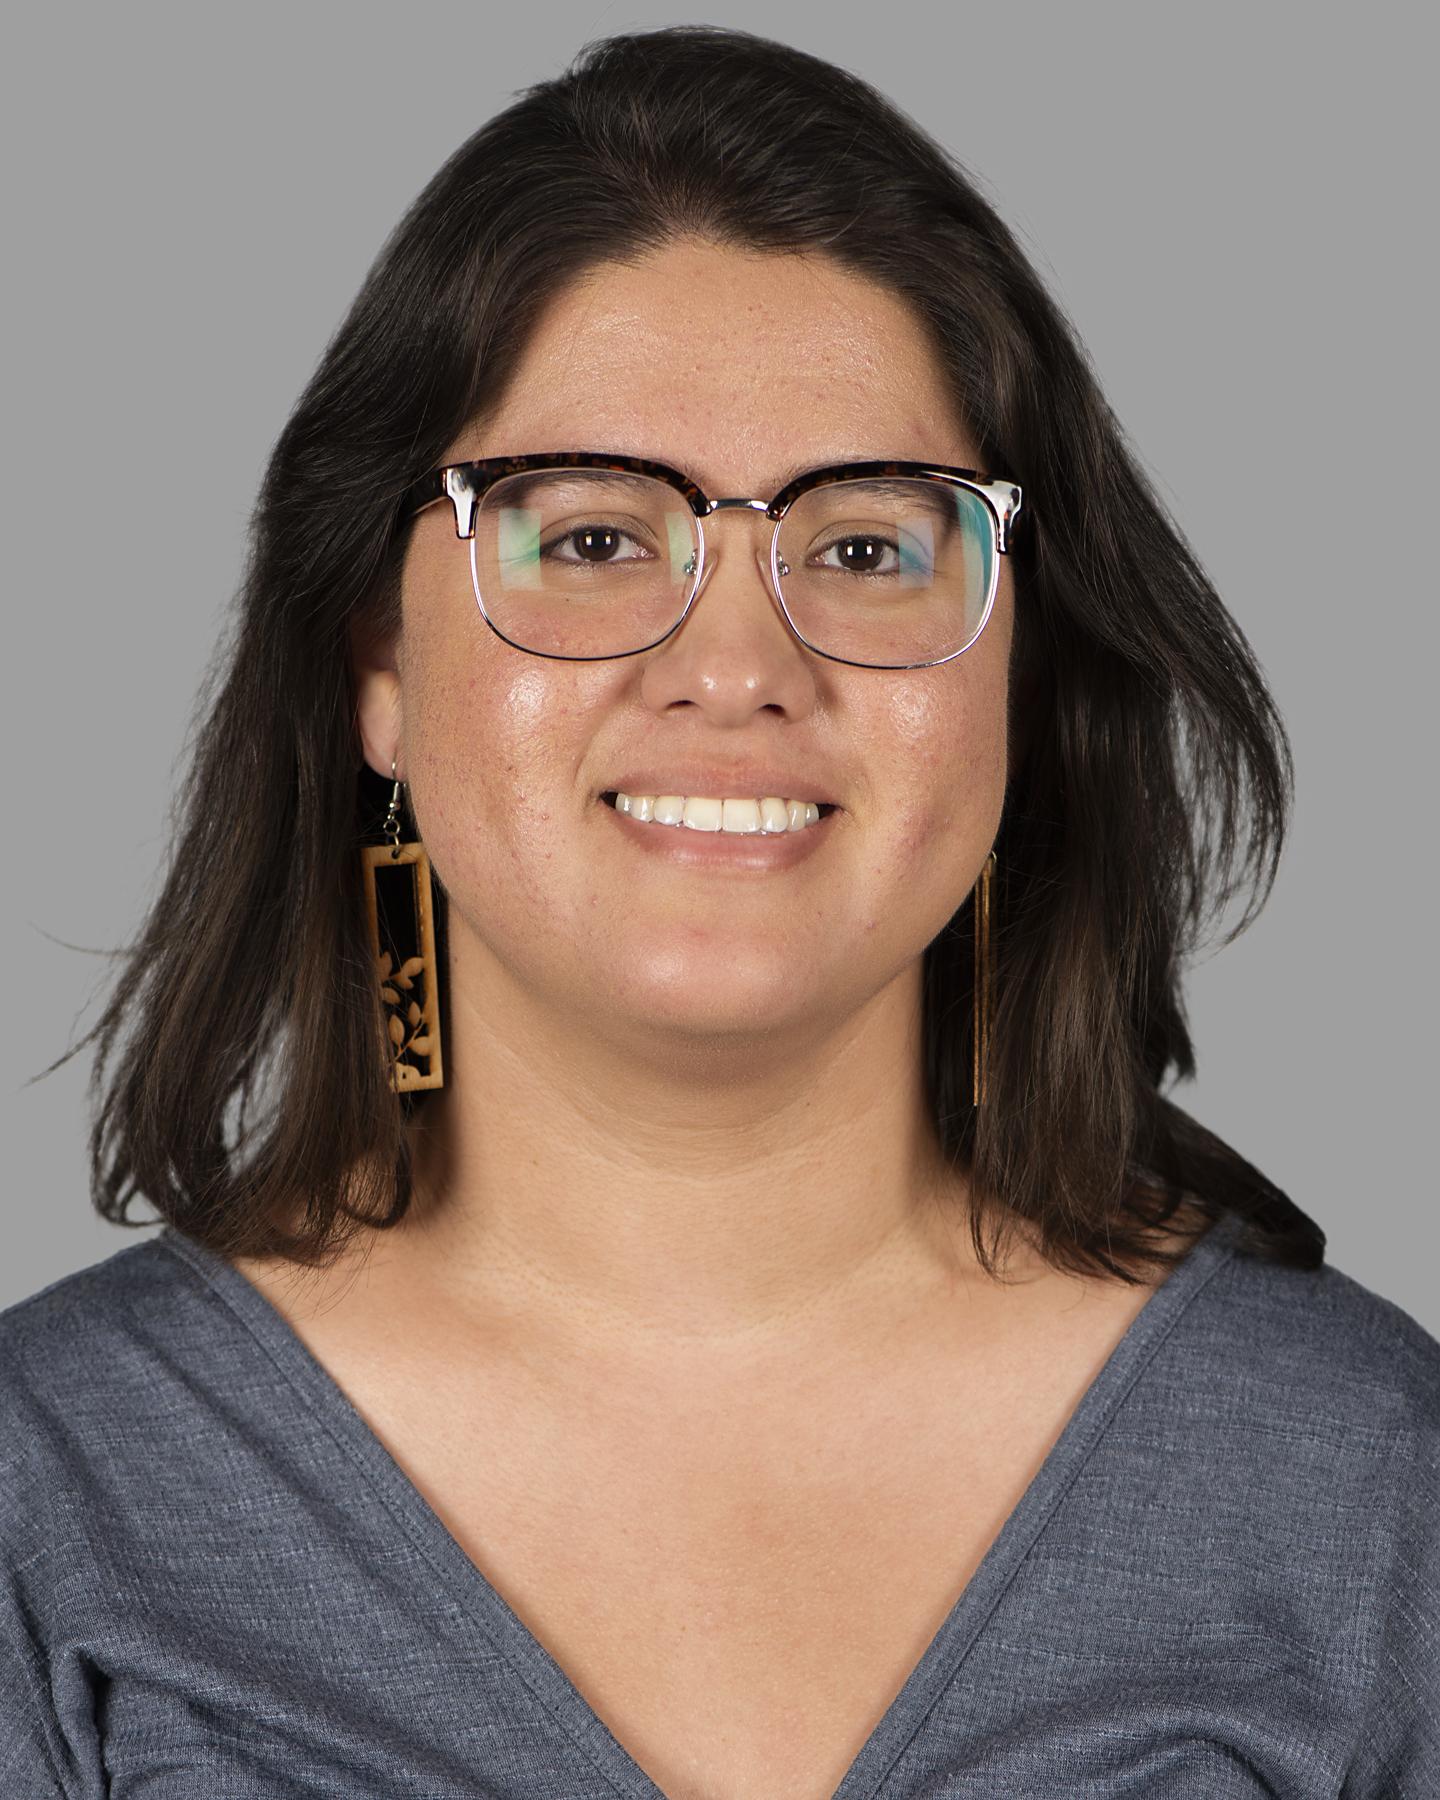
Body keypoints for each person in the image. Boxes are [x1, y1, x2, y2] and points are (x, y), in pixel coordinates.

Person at [3, 23, 1435, 1799]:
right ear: (375, 657)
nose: (737, 669)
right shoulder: (44, 1496)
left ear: (1015, 665)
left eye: (866, 548)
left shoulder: (1375, 1492)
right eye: (593, 539)